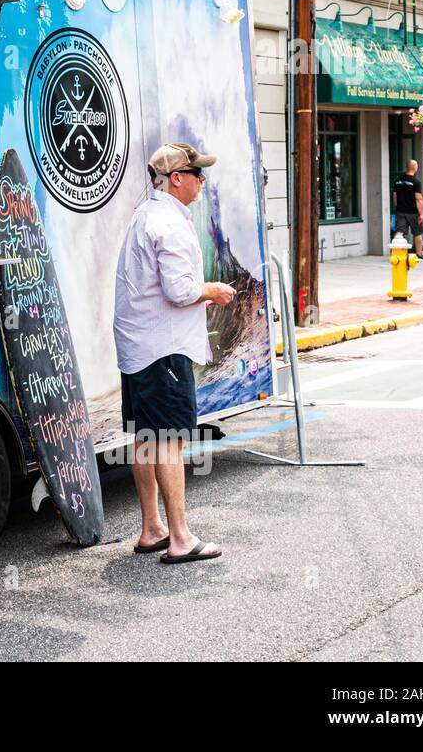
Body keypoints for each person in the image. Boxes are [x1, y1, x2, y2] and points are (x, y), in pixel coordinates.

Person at [113, 142, 235, 565]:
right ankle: (181, 537)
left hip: (138, 347)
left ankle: (152, 528)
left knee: (147, 437)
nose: (203, 180)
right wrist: (214, 291)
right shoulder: (170, 223)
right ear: (176, 178)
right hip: (163, 348)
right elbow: (180, 290)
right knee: (169, 440)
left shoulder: (144, 216)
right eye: (197, 173)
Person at [392, 159, 423, 260]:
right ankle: (419, 254)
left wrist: (398, 207)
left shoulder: (397, 181)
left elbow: (395, 196)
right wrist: (421, 214)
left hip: (401, 211)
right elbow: (418, 199)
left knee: (399, 232)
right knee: (417, 232)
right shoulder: (416, 182)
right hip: (413, 212)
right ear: (415, 168)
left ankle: (396, 253)